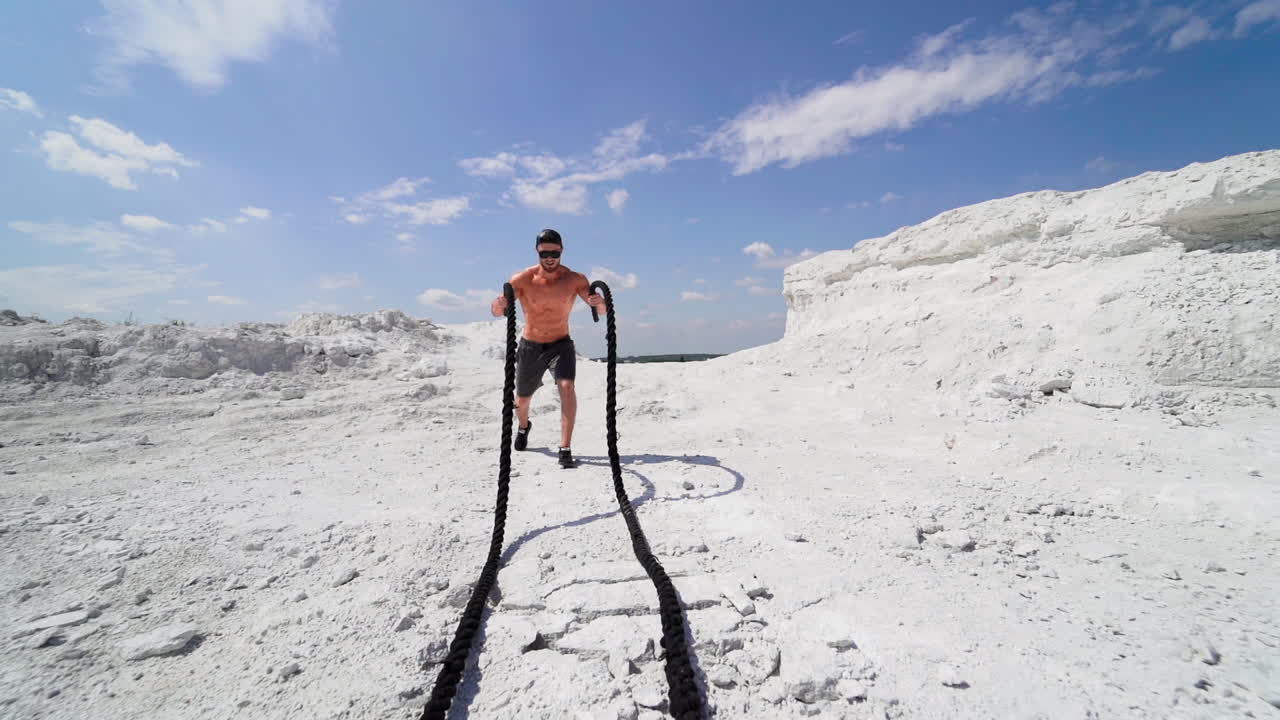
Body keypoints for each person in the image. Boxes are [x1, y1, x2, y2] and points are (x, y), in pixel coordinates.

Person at [491, 228, 604, 468]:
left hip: (561, 343)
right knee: (522, 398)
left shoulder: (574, 279)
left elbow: (600, 310)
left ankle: (565, 447)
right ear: (537, 252)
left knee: (567, 386)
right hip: (531, 345)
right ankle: (523, 426)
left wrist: (599, 302)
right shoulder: (522, 279)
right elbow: (497, 311)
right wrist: (499, 304)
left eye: (554, 252)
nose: (549, 258)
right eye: (544, 253)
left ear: (562, 251)